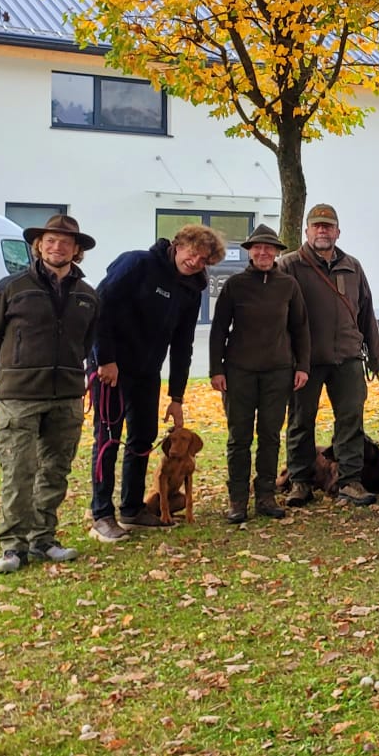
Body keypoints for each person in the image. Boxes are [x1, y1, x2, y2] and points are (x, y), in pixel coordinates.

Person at [88, 222, 224, 542]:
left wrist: (177, 396)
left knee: (143, 438)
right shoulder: (138, 264)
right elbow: (99, 306)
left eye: (203, 260)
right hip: (112, 369)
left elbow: (182, 345)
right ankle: (102, 514)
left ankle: (132, 509)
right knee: (108, 439)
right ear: (178, 245)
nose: (195, 262)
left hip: (147, 373)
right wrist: (105, 358)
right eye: (193, 253)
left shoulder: (192, 290)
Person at [0, 215, 100, 573]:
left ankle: (44, 539)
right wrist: (8, 378)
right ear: (38, 245)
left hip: (67, 397)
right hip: (20, 397)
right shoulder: (10, 288)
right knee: (18, 471)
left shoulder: (87, 296)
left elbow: (86, 342)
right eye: (50, 240)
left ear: (76, 250)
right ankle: (13, 547)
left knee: (55, 471)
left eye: (65, 242)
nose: (57, 246)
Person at [279, 204, 379, 508]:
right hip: (306, 362)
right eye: (317, 226)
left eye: (328, 226)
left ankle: (349, 481)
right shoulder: (289, 266)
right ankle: (300, 482)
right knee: (301, 421)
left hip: (348, 358)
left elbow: (367, 312)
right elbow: (278, 317)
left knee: (351, 420)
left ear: (337, 232)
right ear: (307, 231)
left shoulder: (352, 266)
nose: (322, 231)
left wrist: (375, 355)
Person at [210, 224, 310, 523]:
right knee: (238, 437)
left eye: (270, 248)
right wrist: (217, 369)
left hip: (278, 372)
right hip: (239, 371)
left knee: (270, 436)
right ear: (250, 252)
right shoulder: (234, 285)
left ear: (277, 253)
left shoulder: (288, 285)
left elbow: (300, 328)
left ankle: (265, 495)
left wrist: (302, 366)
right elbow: (218, 331)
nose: (264, 252)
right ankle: (237, 499)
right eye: (258, 248)